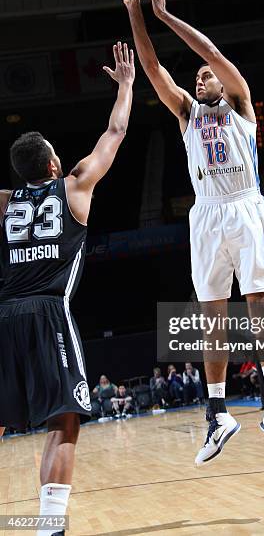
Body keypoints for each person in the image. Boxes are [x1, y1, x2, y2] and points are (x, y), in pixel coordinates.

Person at [121, 0, 264, 465]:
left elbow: (214, 53)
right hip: (206, 214)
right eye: (196, 75)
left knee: (259, 302)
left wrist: (164, 15)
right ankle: (218, 413)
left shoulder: (241, 105)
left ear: (223, 80)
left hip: (244, 205)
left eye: (206, 74)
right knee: (210, 316)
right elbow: (154, 68)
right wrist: (134, 10)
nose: (201, 77)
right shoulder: (186, 114)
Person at [0, 41, 134, 536]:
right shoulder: (74, 185)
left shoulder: (5, 202)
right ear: (54, 166)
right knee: (64, 419)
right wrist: (125, 85)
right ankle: (49, 526)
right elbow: (115, 131)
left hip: (5, 313)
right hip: (47, 313)